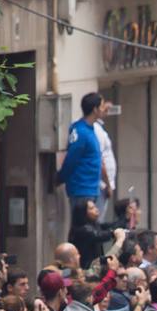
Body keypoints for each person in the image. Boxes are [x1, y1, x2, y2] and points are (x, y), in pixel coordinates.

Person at [57, 92, 106, 233]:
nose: (103, 109)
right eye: (101, 106)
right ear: (95, 109)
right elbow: (72, 159)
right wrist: (61, 177)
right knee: (82, 229)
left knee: (91, 228)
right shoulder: (80, 131)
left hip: (90, 187)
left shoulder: (90, 130)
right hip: (81, 188)